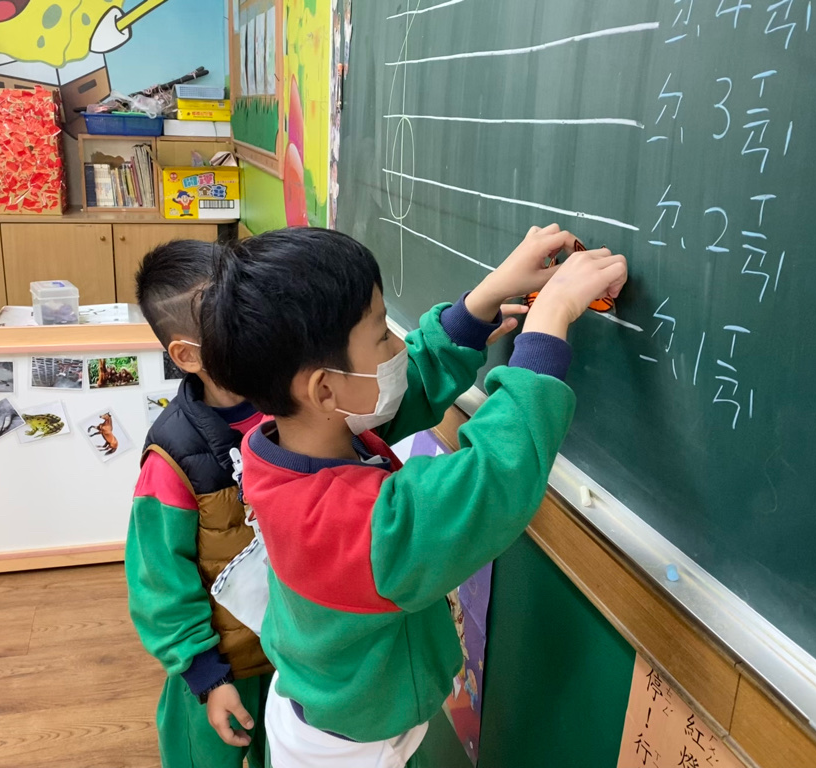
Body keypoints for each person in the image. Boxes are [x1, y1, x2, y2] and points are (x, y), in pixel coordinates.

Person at [197, 225, 627, 767]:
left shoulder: (284, 443)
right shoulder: (354, 528)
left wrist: (483, 300)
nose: (398, 346)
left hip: (331, 700)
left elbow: (399, 390)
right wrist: (550, 321)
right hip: (351, 751)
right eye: (382, 335)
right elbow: (493, 479)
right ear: (324, 389)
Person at [125, 240, 274, 768]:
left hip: (297, 656)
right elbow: (158, 581)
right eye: (237, 319)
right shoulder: (171, 458)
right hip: (221, 668)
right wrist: (205, 675)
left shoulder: (297, 400)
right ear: (188, 356)